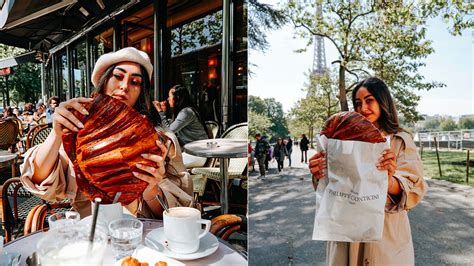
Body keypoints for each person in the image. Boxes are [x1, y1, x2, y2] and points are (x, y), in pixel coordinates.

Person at [20, 47, 193, 219]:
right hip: (91, 235)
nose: (124, 86)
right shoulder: (81, 134)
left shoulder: (161, 141)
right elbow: (39, 180)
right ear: (104, 81)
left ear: (142, 92)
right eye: (118, 76)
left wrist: (150, 189)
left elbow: (180, 213)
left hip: (144, 236)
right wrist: (57, 133)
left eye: (135, 82)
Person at [309, 77, 427, 265]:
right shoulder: (340, 142)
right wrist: (318, 174)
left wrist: (387, 180)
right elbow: (329, 188)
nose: (362, 108)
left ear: (383, 101)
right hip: (345, 233)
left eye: (369, 100)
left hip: (385, 236)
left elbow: (414, 187)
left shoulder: (399, 140)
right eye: (357, 103)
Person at [153, 85, 209, 168]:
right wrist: (164, 112)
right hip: (192, 152)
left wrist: (160, 112)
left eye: (170, 96)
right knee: (164, 162)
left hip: (198, 154)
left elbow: (169, 131)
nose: (168, 99)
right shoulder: (182, 112)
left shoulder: (186, 112)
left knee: (166, 166)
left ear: (177, 97)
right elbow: (169, 126)